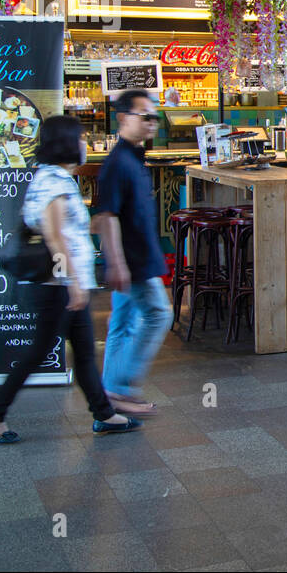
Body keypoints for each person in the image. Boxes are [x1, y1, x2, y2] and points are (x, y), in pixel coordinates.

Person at [0, 117, 140, 442]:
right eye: (80, 138)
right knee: (39, 352)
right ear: (66, 142)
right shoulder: (54, 181)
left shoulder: (56, 178)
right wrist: (74, 282)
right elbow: (54, 237)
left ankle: (104, 414)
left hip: (64, 283)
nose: (84, 143)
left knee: (82, 352)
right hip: (57, 286)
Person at [94, 89, 171, 417]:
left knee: (123, 323)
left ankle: (110, 396)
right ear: (124, 118)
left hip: (135, 258)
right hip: (133, 261)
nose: (152, 122)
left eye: (155, 116)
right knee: (158, 314)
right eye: (145, 116)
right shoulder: (118, 162)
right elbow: (106, 216)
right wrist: (118, 263)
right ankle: (120, 388)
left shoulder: (133, 157)